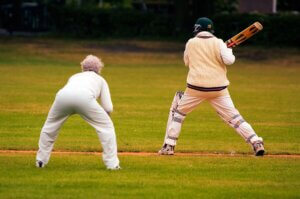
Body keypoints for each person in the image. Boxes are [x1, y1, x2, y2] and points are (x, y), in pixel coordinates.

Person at [158, 17, 265, 156]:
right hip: (218, 90)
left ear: (196, 29)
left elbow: (186, 62)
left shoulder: (191, 43)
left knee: (178, 114)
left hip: (195, 89)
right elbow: (229, 61)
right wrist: (228, 50)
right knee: (234, 118)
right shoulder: (219, 43)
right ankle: (256, 141)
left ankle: (169, 146)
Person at [36, 55, 121, 170]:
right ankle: (112, 164)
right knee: (107, 128)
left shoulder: (74, 76)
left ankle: (40, 161)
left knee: (49, 128)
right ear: (99, 69)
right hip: (84, 98)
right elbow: (108, 107)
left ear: (83, 67)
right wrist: (105, 119)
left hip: (62, 96)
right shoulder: (100, 80)